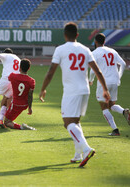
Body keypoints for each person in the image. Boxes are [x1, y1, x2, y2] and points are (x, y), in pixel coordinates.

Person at [39, 22, 110, 167]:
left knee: (68, 124)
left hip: (72, 91)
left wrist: (43, 89)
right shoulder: (85, 49)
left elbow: (50, 72)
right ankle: (78, 155)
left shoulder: (60, 49)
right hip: (85, 90)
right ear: (77, 35)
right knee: (76, 122)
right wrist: (105, 89)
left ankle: (87, 149)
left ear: (64, 34)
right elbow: (98, 71)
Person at [89, 33, 130, 136]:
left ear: (95, 42)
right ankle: (123, 111)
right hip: (114, 81)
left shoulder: (95, 53)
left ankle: (115, 130)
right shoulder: (112, 51)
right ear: (104, 41)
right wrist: (119, 76)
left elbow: (92, 70)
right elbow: (123, 63)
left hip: (104, 82)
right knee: (111, 105)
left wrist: (91, 80)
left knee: (104, 107)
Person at [3, 58, 36, 130]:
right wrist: (30, 108)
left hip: (15, 104)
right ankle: (18, 124)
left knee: (6, 122)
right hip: (24, 105)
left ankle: (22, 127)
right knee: (10, 119)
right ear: (29, 68)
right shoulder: (31, 81)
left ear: (19, 67)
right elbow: (30, 95)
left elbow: (8, 78)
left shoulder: (13, 76)